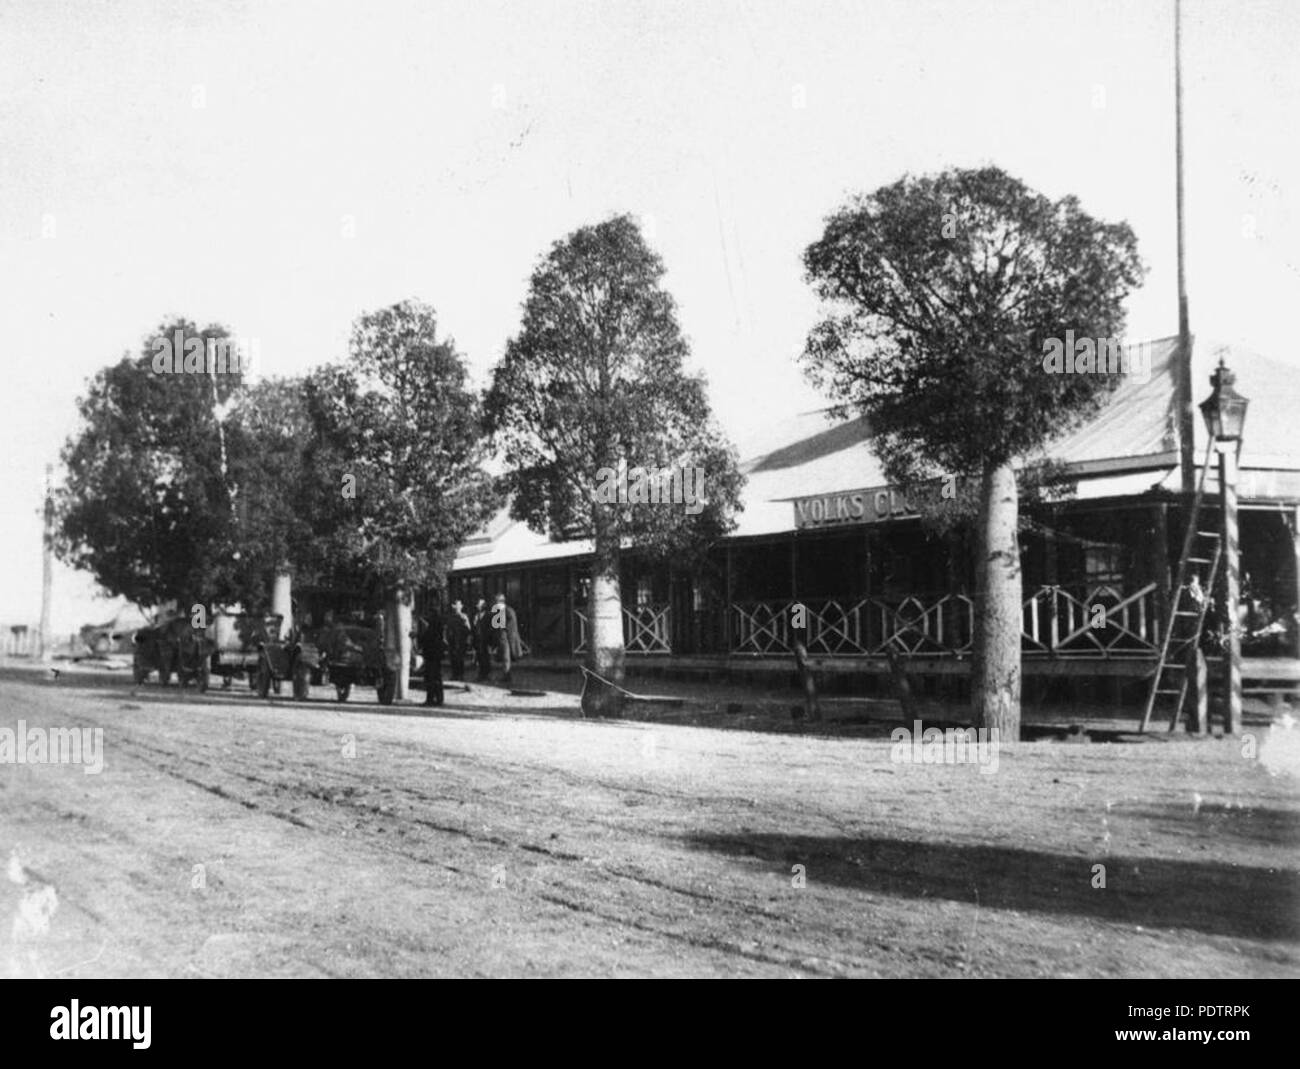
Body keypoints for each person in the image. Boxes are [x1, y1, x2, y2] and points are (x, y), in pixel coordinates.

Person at [492, 593, 523, 685]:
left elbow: (510, 625)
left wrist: (503, 630)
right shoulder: (503, 611)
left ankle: (506, 675)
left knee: (506, 657)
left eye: (496, 602)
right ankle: (506, 675)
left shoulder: (508, 611)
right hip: (503, 638)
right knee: (505, 657)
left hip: (507, 638)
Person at [418, 610, 444, 707]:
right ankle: (439, 699)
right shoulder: (437, 629)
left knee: (430, 678)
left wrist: (417, 636)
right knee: (437, 678)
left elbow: (425, 640)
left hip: (431, 656)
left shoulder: (432, 630)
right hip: (436, 656)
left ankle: (430, 699)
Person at [447, 598, 471, 681]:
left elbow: (468, 629)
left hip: (460, 640)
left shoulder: (463, 616)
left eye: (457, 605)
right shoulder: (450, 617)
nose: (455, 607)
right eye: (454, 606)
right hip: (452, 641)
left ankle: (460, 675)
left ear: (460, 607)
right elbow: (447, 629)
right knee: (453, 658)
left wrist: (467, 641)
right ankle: (454, 674)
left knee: (460, 658)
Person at [472, 598, 492, 681]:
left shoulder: (488, 615)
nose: (478, 607)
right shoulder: (476, 616)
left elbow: (490, 628)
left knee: (486, 657)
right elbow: (474, 627)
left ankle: (486, 674)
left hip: (486, 639)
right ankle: (481, 674)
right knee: (479, 656)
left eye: (479, 605)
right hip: (478, 639)